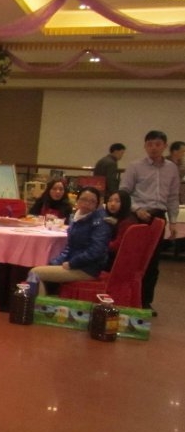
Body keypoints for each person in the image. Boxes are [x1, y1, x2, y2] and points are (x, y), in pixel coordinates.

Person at [120, 130, 180, 314]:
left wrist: (173, 221)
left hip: (159, 217)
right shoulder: (135, 166)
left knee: (152, 261)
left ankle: (145, 301)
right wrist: (137, 209)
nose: (154, 148)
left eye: (158, 144)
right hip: (137, 216)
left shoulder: (172, 168)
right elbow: (124, 192)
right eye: (150, 144)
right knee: (132, 258)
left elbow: (173, 197)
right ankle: (126, 297)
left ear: (165, 146)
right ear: (145, 146)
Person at [28, 187, 111, 295]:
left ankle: (35, 304)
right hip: (75, 264)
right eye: (83, 199)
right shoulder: (77, 218)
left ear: (97, 204)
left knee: (34, 273)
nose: (87, 204)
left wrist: (72, 263)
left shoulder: (100, 222)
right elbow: (69, 247)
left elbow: (96, 251)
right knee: (43, 267)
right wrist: (56, 262)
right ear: (77, 201)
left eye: (92, 201)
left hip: (86, 269)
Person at [103, 189, 138, 270]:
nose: (112, 204)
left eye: (117, 201)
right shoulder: (115, 218)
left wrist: (101, 243)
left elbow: (118, 246)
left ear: (125, 203)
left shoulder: (128, 222)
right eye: (110, 201)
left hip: (117, 262)